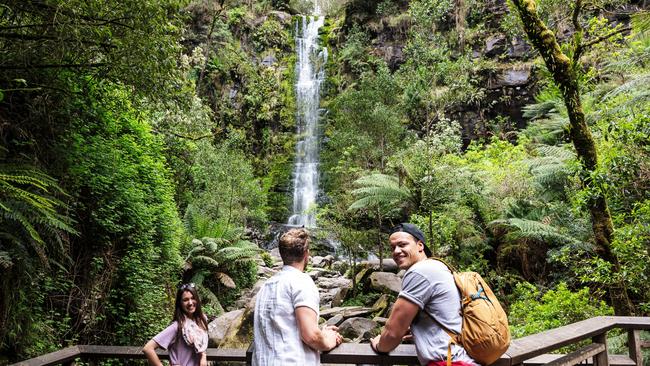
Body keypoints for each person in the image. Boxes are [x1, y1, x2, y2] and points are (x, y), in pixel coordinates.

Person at [370, 223, 478, 366]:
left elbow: (392, 334)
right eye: (393, 247)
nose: (396, 251)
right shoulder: (438, 266)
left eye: (402, 245)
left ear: (420, 245)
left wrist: (379, 344)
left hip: (448, 362)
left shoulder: (419, 272)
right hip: (462, 358)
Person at [252, 228, 343, 365]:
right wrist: (329, 340)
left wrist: (321, 333)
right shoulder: (301, 282)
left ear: (282, 254)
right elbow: (311, 336)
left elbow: (284, 328)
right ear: (306, 254)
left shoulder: (266, 287)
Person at [143, 283, 209, 366]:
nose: (190, 303)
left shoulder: (201, 321)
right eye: (185, 300)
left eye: (193, 298)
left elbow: (202, 344)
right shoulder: (177, 327)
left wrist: (203, 356)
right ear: (180, 303)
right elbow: (148, 348)